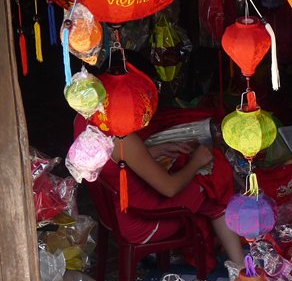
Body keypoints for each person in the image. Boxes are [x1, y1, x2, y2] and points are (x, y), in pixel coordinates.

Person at [74, 115, 245, 269]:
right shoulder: (122, 139)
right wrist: (196, 162)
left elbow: (119, 157)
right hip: (142, 222)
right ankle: (241, 271)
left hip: (113, 214)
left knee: (204, 185)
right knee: (216, 194)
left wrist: (157, 150)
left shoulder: (83, 120)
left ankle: (233, 263)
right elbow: (170, 188)